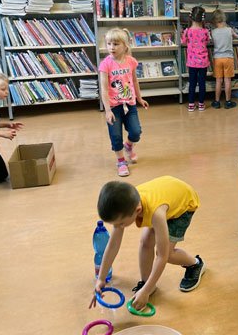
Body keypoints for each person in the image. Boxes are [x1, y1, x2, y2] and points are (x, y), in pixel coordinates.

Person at [90, 176, 205, 312]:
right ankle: (147, 284)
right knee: (146, 242)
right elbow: (113, 245)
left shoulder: (157, 214)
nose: (118, 227)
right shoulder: (127, 204)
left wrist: (145, 292)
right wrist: (101, 278)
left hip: (183, 206)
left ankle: (195, 264)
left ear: (138, 211)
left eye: (120, 224)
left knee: (168, 254)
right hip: (166, 196)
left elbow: (161, 256)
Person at [99, 28, 149, 177]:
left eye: (115, 44)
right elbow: (104, 89)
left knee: (136, 132)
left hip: (130, 104)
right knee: (116, 136)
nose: (111, 47)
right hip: (113, 107)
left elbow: (135, 81)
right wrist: (107, 110)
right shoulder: (105, 64)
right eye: (109, 44)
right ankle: (121, 161)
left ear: (125, 45)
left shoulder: (131, 62)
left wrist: (139, 98)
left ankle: (128, 146)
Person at [182, 6, 210, 112]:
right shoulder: (205, 31)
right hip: (203, 62)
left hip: (192, 62)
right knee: (202, 83)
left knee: (192, 83)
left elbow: (183, 42)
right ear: (203, 18)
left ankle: (191, 104)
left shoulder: (187, 31)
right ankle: (201, 104)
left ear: (191, 17)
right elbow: (207, 41)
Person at [210, 9, 238, 109]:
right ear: (224, 19)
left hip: (217, 58)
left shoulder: (213, 32)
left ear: (214, 21)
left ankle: (217, 102)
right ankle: (228, 101)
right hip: (228, 58)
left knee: (218, 81)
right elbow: (237, 36)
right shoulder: (229, 30)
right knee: (227, 80)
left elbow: (211, 41)